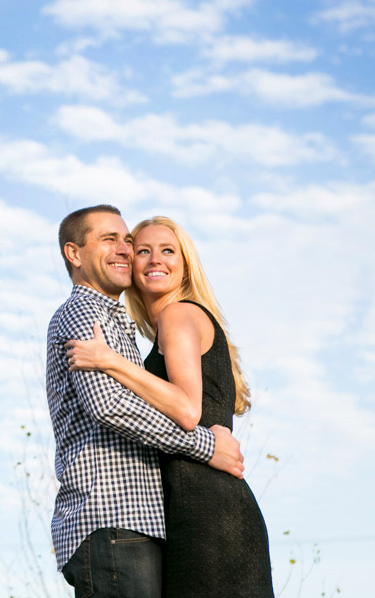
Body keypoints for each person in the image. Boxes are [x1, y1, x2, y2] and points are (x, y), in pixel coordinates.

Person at [65, 216, 274, 597]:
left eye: (167, 250)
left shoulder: (179, 315)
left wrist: (110, 361)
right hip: (191, 510)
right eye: (142, 250)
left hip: (209, 513)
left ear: (185, 264)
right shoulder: (166, 328)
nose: (153, 259)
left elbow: (187, 410)